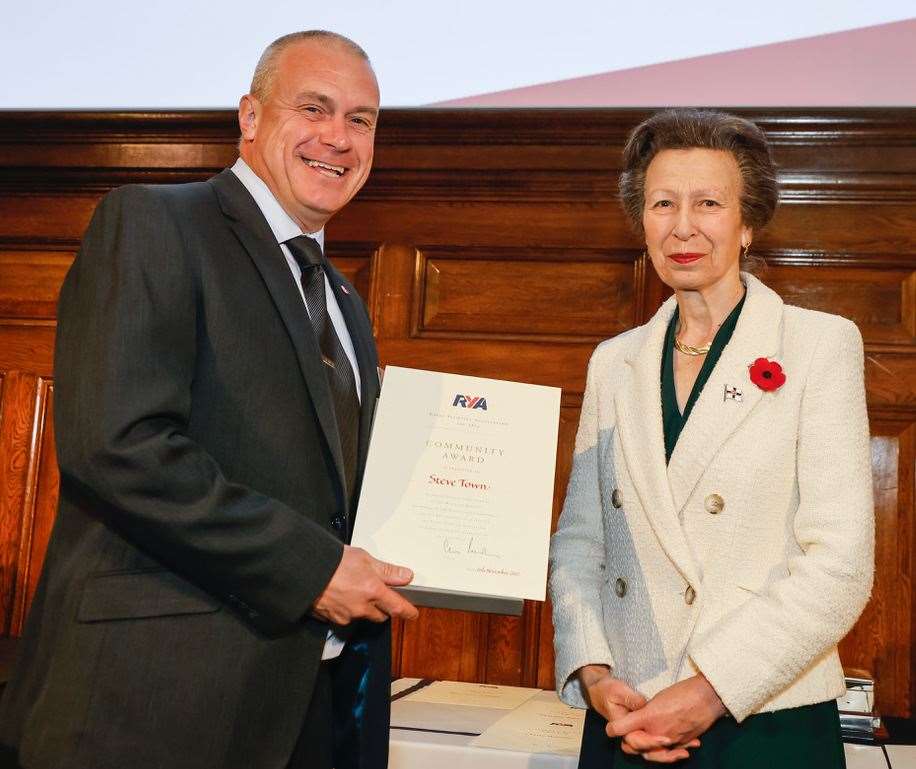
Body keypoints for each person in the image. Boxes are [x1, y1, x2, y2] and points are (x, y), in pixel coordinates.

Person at [0, 30, 418, 769]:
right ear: (250, 117)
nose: (339, 138)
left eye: (362, 119)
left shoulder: (344, 298)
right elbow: (119, 446)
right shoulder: (155, 223)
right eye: (314, 108)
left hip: (304, 712)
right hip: (152, 709)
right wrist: (312, 567)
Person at [549, 108, 874, 768]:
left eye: (709, 203)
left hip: (759, 716)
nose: (683, 225)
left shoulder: (818, 347)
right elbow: (580, 541)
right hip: (629, 713)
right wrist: (591, 668)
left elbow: (840, 563)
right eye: (662, 203)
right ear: (642, 221)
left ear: (748, 222)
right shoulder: (615, 361)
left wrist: (712, 687)